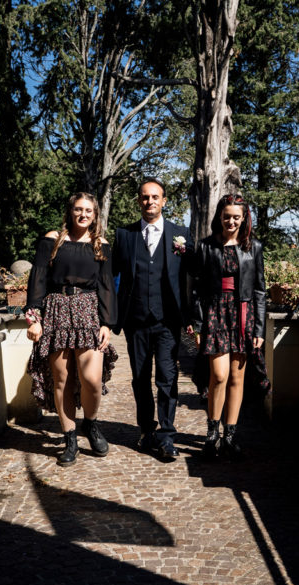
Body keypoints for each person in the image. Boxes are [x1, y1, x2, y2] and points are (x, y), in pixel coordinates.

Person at [25, 192, 118, 467]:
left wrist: (107, 323)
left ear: (95, 214)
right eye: (79, 209)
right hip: (56, 309)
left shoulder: (100, 244)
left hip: (88, 310)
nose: (83, 215)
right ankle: (70, 438)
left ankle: (90, 424)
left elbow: (106, 285)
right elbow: (38, 279)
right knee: (62, 378)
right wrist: (34, 318)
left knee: (91, 378)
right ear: (70, 211)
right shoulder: (52, 240)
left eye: (88, 210)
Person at [112, 178, 192, 461]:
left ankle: (167, 436)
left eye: (155, 197)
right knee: (140, 379)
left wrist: (192, 316)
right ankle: (146, 430)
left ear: (164, 201)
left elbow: (190, 278)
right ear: (139, 201)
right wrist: (111, 318)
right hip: (135, 320)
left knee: (167, 378)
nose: (150, 202)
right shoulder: (125, 235)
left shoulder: (180, 235)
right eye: (145, 197)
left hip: (168, 321)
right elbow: (113, 277)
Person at [189, 194, 268, 458]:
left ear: (244, 218)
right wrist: (198, 325)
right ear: (219, 217)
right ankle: (212, 433)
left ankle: (230, 435)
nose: (231, 221)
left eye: (236, 216)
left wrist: (259, 330)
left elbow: (259, 291)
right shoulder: (206, 246)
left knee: (237, 378)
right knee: (219, 376)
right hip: (215, 313)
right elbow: (197, 290)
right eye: (226, 216)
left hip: (243, 315)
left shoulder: (253, 247)